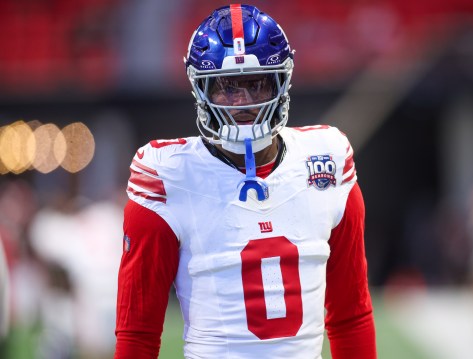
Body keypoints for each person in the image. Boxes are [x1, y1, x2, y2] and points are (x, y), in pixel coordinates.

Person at [114, 4, 376, 359]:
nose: (243, 102)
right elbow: (138, 335)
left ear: (281, 82)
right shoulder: (169, 175)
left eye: (256, 84)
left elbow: (351, 316)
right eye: (227, 88)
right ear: (201, 89)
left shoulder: (326, 160)